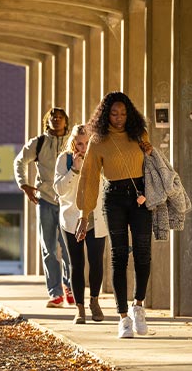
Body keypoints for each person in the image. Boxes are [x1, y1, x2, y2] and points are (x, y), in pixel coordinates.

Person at [75, 91, 153, 338]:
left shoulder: (139, 134)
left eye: (122, 113)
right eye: (114, 113)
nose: (118, 118)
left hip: (140, 196)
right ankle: (122, 318)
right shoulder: (98, 141)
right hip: (114, 199)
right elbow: (89, 178)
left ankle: (138, 305)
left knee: (143, 252)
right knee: (119, 255)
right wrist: (84, 214)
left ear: (128, 113)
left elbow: (151, 164)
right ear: (105, 115)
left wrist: (149, 151)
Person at [14, 107, 73, 308]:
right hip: (46, 201)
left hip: (68, 202)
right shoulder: (38, 143)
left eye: (60, 117)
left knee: (69, 249)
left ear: (66, 121)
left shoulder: (72, 142)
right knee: (48, 248)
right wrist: (24, 185)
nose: (56, 120)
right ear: (47, 121)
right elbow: (19, 161)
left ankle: (70, 288)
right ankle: (55, 294)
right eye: (52, 117)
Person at [53, 124, 108, 324]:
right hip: (71, 220)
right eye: (79, 144)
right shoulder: (64, 160)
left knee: (96, 262)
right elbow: (59, 190)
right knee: (77, 264)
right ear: (73, 143)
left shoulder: (100, 158)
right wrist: (74, 170)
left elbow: (107, 184)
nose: (83, 148)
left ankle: (94, 301)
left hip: (96, 218)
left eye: (87, 143)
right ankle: (80, 308)